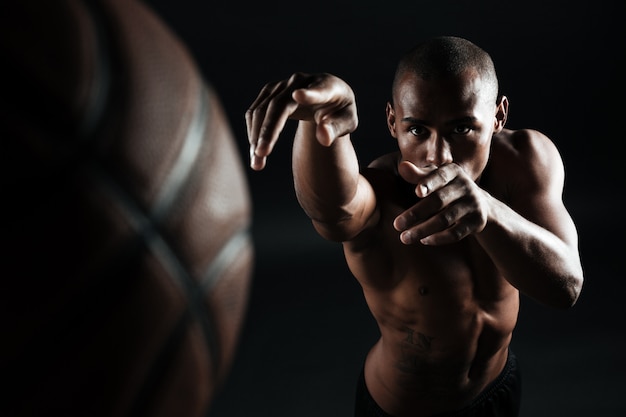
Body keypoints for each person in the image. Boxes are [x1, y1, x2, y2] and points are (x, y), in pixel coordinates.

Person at [245, 36, 584, 417]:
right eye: (418, 130)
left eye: (461, 130)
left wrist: (488, 210)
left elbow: (566, 287)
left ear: (498, 116)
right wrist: (323, 126)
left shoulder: (525, 160)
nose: (438, 155)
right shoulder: (382, 194)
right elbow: (332, 209)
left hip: (497, 387)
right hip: (402, 409)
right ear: (393, 121)